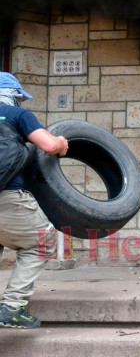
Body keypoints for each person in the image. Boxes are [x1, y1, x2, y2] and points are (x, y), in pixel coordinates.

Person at [0, 72, 69, 329]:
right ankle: (12, 306)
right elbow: (49, 146)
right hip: (7, 198)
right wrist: (62, 142)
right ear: (14, 96)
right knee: (42, 241)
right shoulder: (17, 115)